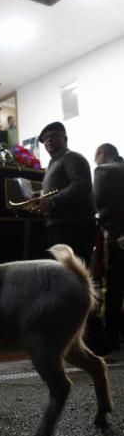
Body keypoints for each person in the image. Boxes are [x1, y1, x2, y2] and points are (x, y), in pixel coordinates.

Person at [34, 121, 108, 355]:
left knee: (78, 282)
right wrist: (41, 197)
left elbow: (82, 185)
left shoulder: (73, 158)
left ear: (65, 137)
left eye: (53, 136)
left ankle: (95, 342)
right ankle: (74, 340)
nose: (48, 142)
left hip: (73, 227)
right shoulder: (54, 164)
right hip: (60, 226)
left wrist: (52, 201)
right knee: (66, 284)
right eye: (45, 139)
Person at [94, 143, 124, 350]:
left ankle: (111, 339)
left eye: (96, 157)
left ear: (102, 154)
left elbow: (95, 202)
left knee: (112, 288)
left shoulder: (103, 170)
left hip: (115, 236)